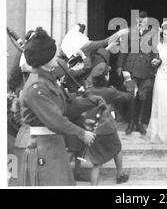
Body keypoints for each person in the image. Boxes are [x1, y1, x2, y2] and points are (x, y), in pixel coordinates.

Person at [14, 27, 104, 186]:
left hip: (54, 144)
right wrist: (82, 133)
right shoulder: (36, 87)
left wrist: (92, 101)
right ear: (44, 59)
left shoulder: (48, 80)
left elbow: (67, 106)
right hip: (42, 147)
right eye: (52, 53)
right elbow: (55, 119)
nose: (56, 56)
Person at [84, 62, 133, 185]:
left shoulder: (87, 91)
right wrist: (128, 80)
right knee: (117, 148)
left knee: (96, 163)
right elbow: (129, 97)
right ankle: (120, 174)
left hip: (92, 130)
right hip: (108, 129)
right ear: (105, 77)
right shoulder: (110, 92)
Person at [117, 11, 159, 135]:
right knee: (131, 95)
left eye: (143, 20)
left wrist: (157, 59)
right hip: (131, 67)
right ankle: (131, 122)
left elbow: (156, 50)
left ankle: (139, 122)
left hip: (147, 68)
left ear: (147, 21)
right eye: (139, 20)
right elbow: (123, 50)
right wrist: (119, 66)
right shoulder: (130, 32)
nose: (141, 22)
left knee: (143, 95)